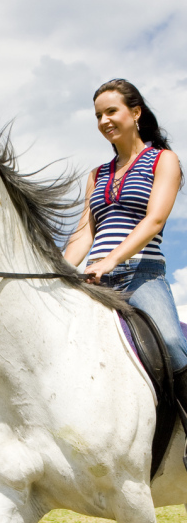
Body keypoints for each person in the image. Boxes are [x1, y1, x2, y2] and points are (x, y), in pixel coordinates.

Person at [64, 77, 187, 408]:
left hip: (142, 274)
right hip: (97, 279)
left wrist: (111, 260)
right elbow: (84, 233)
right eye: (98, 116)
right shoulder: (97, 174)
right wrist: (60, 268)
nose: (104, 121)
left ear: (135, 113)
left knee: (174, 342)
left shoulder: (163, 160)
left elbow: (154, 220)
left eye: (111, 111)